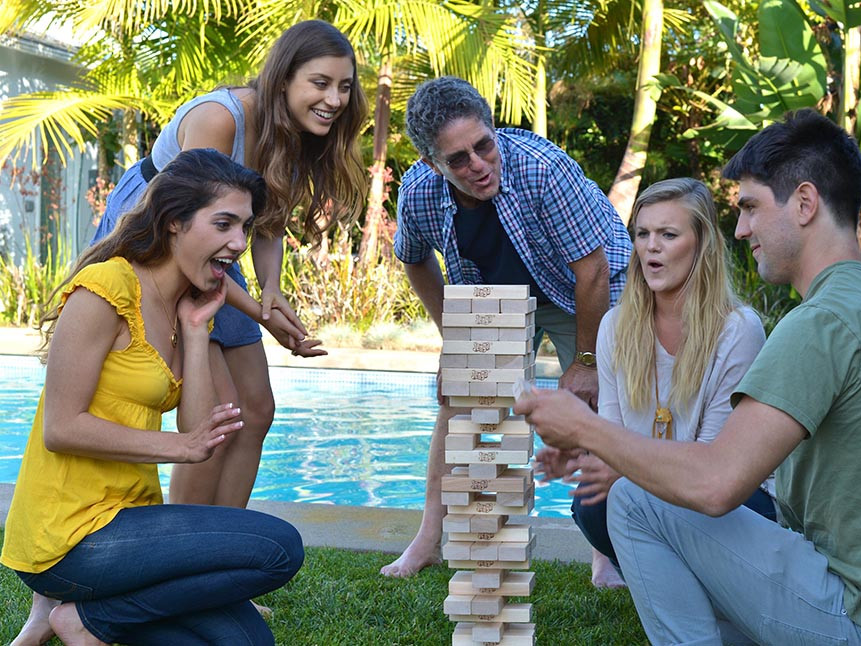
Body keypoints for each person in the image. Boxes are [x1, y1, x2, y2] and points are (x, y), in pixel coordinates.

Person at [515, 109, 861, 645]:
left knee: (636, 501)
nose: (741, 229)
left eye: (752, 208)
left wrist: (584, 428)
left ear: (805, 203)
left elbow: (715, 484)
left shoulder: (821, 323)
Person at [3, 148, 305, 646]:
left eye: (245, 229)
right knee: (278, 547)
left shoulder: (184, 305)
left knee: (247, 643)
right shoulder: (106, 290)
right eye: (224, 224)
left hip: (133, 520)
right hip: (70, 537)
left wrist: (194, 330)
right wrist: (180, 449)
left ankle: (93, 619)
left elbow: (195, 428)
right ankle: (78, 617)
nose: (238, 243)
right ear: (174, 223)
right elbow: (62, 428)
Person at [90, 19, 368, 509]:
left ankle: (224, 547)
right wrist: (261, 314)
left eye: (344, 86)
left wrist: (271, 291)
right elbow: (197, 229)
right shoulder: (222, 118)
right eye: (320, 83)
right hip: (161, 238)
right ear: (284, 79)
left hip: (218, 242)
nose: (335, 98)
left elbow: (264, 219)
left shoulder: (296, 129)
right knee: (220, 413)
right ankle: (187, 558)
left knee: (256, 410)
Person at [383, 76, 632, 578]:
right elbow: (414, 261)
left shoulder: (543, 171)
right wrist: (454, 340)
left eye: (483, 146)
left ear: (493, 131)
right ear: (432, 164)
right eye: (458, 159)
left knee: (602, 400)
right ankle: (428, 539)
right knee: (456, 398)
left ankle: (603, 549)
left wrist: (586, 362)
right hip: (493, 298)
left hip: (581, 287)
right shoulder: (419, 194)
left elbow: (594, 269)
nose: (477, 166)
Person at [535, 178, 772, 589]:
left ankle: (703, 582)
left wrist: (622, 467)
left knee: (640, 496)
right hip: (646, 490)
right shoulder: (614, 327)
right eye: (642, 234)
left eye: (668, 234)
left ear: (701, 245)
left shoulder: (738, 330)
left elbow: (713, 466)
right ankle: (671, 579)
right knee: (590, 503)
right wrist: (586, 455)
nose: (651, 247)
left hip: (728, 500)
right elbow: (610, 439)